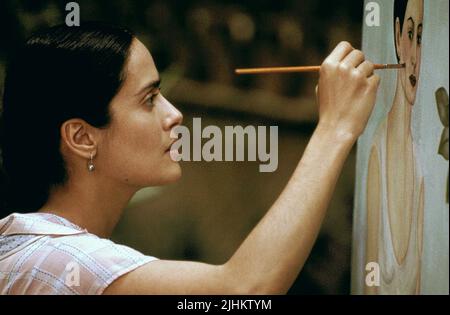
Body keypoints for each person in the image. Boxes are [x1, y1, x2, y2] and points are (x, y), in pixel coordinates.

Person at [0, 22, 379, 295]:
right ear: (82, 137)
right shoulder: (58, 260)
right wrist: (335, 129)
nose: (174, 114)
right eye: (149, 99)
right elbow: (244, 291)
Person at [366, 0, 424, 294]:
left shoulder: (422, 161)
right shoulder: (376, 148)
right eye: (411, 34)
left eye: (422, 38)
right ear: (398, 35)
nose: (414, 56)